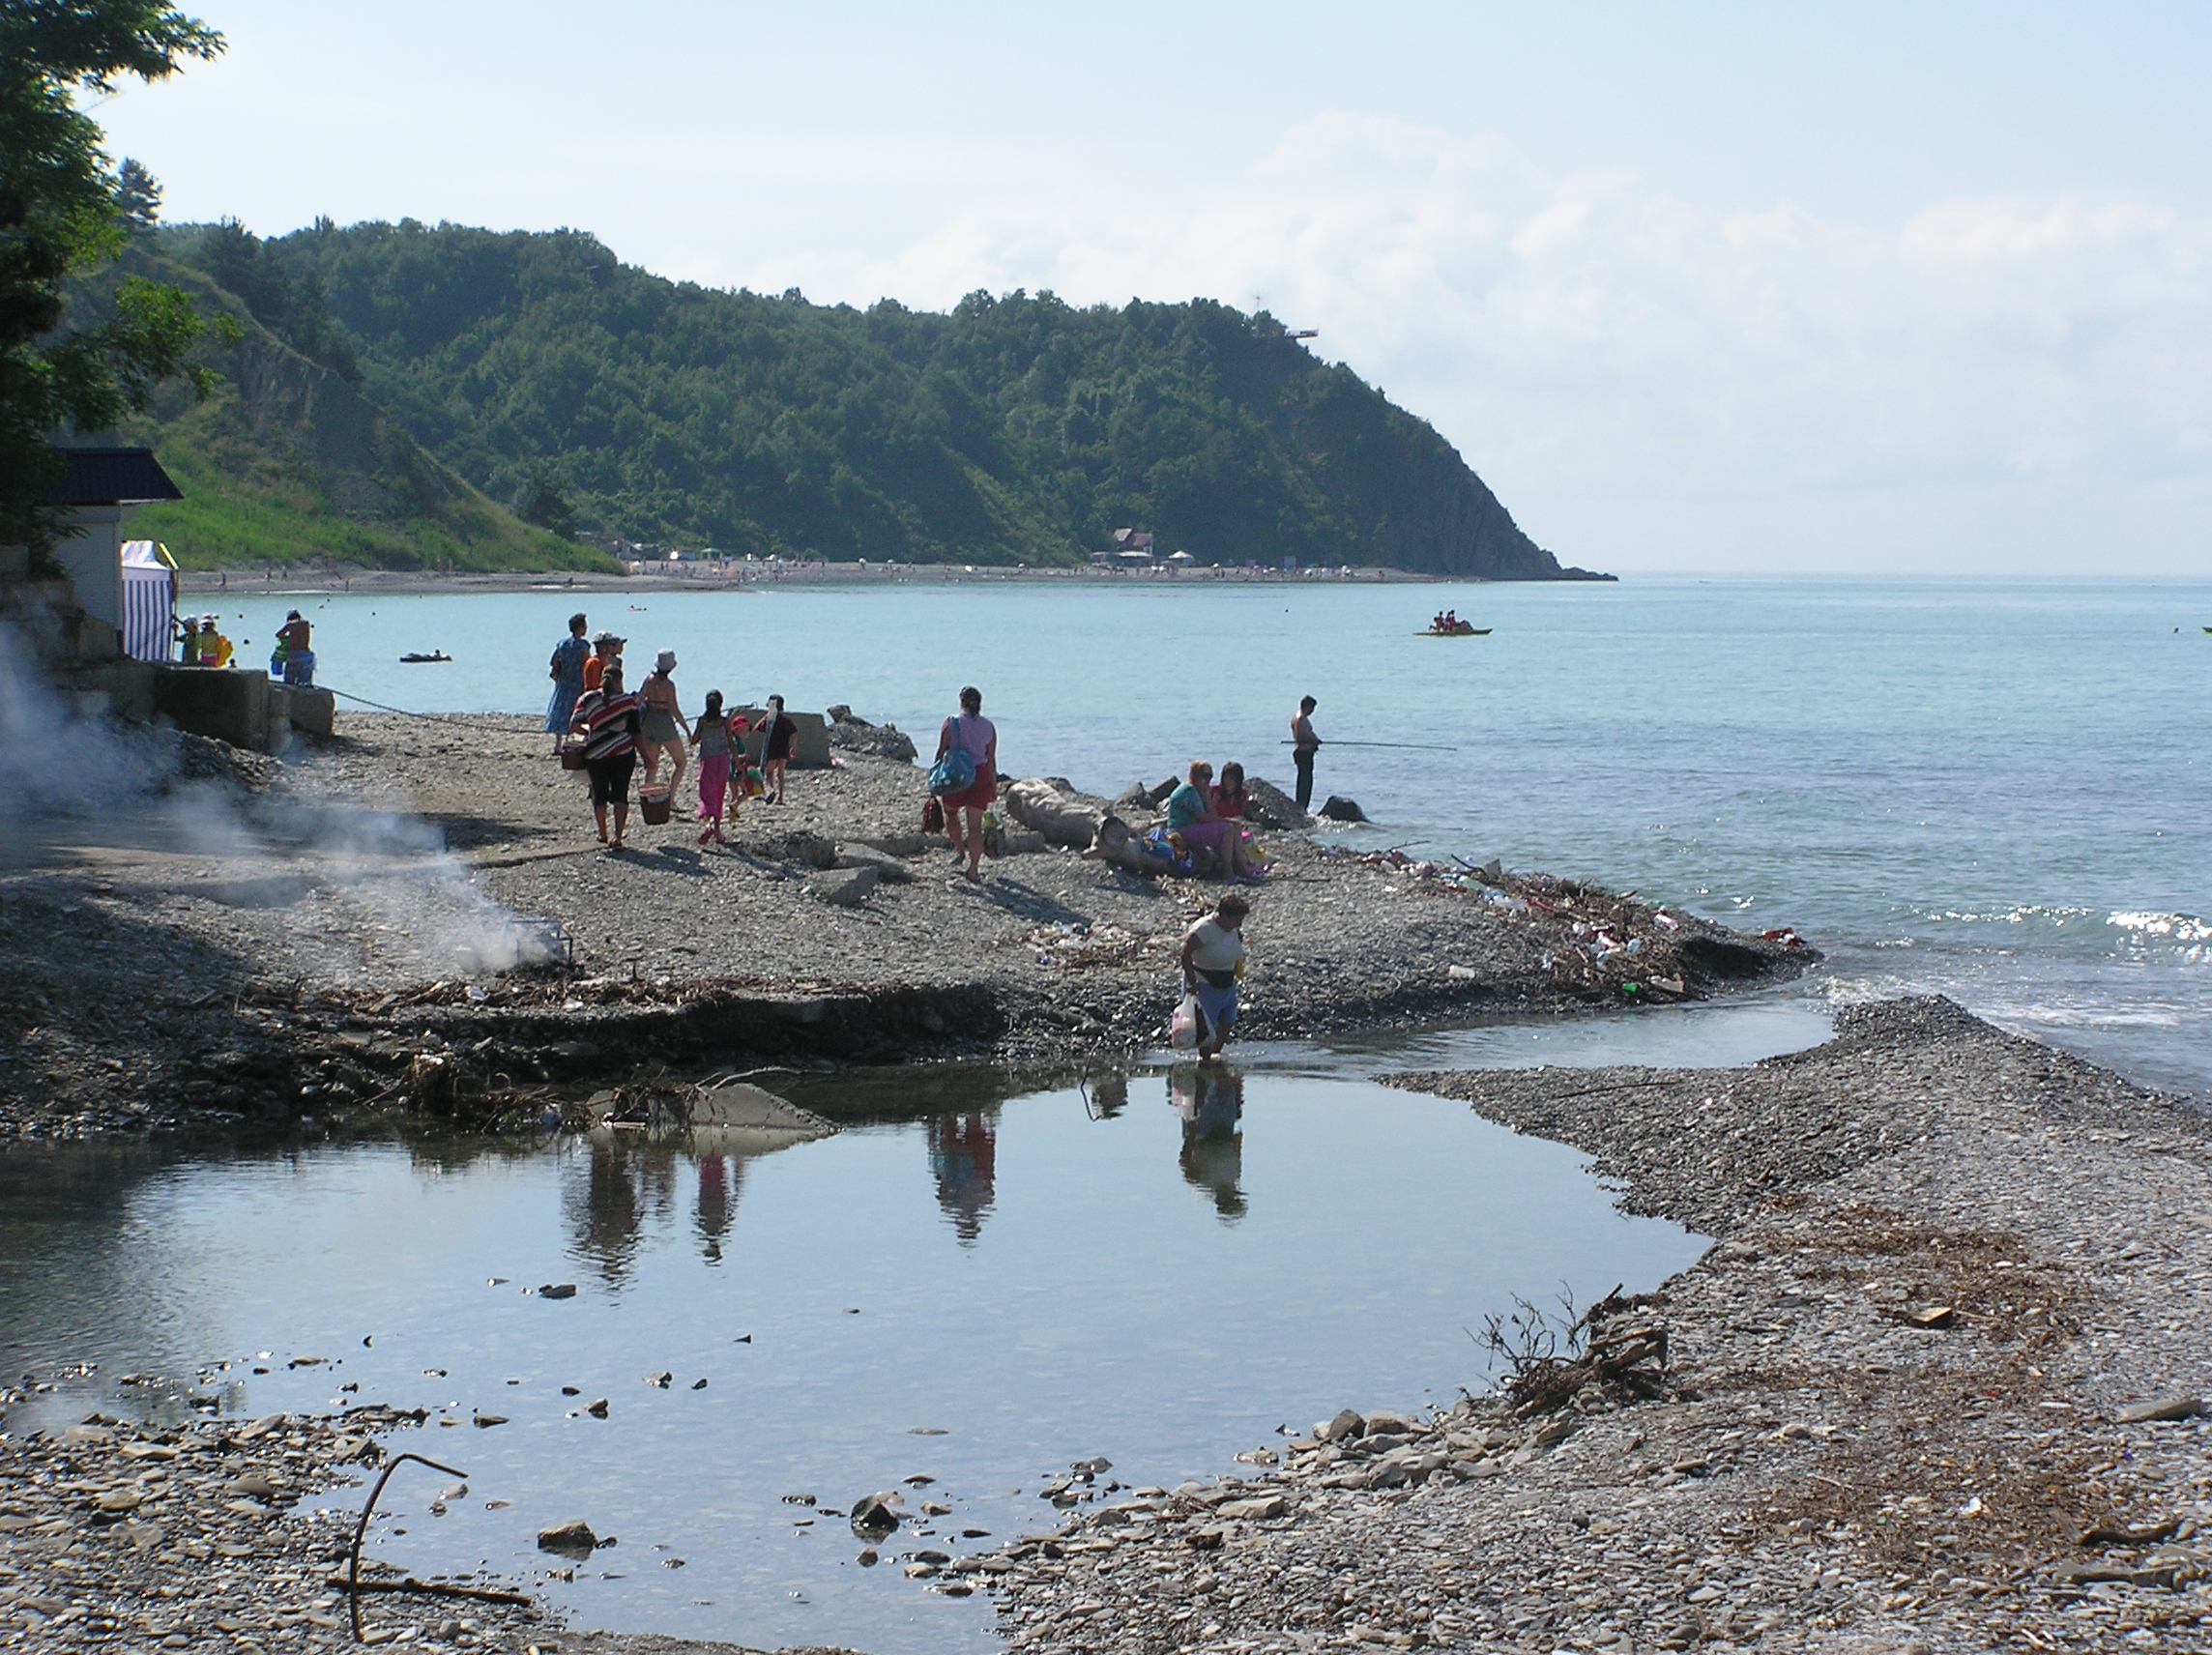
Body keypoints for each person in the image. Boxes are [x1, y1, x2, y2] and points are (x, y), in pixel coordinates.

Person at [571, 663, 642, 852]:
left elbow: (574, 724)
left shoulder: (587, 699)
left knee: (599, 793)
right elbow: (635, 732)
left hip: (595, 753)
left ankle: (602, 833)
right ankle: (617, 835)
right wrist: (647, 757)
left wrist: (593, 732)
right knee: (621, 794)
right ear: (619, 680)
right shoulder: (627, 702)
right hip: (623, 752)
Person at [1179, 892, 1250, 1061]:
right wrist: (1192, 982)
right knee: (1206, 1027)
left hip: (1226, 982)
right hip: (1204, 982)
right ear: (1223, 915)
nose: (1240, 924)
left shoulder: (1232, 929)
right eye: (1237, 919)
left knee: (1227, 1021)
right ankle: (1205, 1060)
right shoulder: (1204, 928)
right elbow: (1185, 953)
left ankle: (1214, 1056)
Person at [935, 685, 997, 880]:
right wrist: (993, 786)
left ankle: (959, 849)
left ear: (961, 701)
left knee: (951, 812)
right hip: (980, 774)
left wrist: (934, 777)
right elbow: (991, 759)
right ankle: (974, 869)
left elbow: (941, 751)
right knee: (975, 826)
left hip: (956, 773)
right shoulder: (989, 727)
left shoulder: (951, 723)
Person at [1165, 761, 1248, 881]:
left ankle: (1240, 866)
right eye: (1206, 776)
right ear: (1196, 775)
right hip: (1181, 830)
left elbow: (1210, 815)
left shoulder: (1198, 791)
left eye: (1210, 777)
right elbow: (1203, 817)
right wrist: (1225, 820)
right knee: (1227, 829)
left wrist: (1207, 800)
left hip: (1189, 827)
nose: (1208, 780)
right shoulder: (1189, 791)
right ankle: (1228, 872)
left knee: (1231, 827)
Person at [638, 650, 690, 797]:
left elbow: (640, 699)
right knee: (681, 762)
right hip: (664, 722)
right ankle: (671, 797)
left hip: (648, 720)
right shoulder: (669, 685)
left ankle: (648, 798)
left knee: (652, 765)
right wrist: (686, 728)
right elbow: (674, 709)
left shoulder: (649, 679)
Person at [692, 690, 742, 845]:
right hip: (723, 760)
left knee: (706, 795)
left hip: (708, 761)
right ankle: (718, 832)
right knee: (719, 794)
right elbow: (731, 743)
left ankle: (707, 825)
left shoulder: (702, 720)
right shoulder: (725, 721)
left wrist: (690, 734)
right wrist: (737, 763)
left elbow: (694, 740)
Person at [545, 613, 591, 753]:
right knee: (579, 711)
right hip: (577, 681)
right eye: (585, 626)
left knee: (560, 710)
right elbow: (586, 664)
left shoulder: (562, 644)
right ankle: (581, 740)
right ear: (580, 627)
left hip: (564, 681)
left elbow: (553, 662)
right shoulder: (583, 645)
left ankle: (558, 744)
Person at [758, 694, 797, 805]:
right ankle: (781, 797)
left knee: (769, 773)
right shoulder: (786, 720)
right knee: (781, 774)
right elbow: (793, 734)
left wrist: (765, 717)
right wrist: (793, 748)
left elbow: (755, 729)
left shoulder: (769, 722)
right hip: (784, 750)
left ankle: (771, 791)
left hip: (772, 750)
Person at [1290, 695, 1321, 812]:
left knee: (1303, 780)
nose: (1312, 711)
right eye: (1312, 708)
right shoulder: (1301, 719)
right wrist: (1314, 741)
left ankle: (1302, 806)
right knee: (1305, 783)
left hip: (1304, 752)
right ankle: (1302, 806)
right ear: (1307, 706)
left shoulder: (1297, 717)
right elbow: (1300, 736)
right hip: (1304, 753)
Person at [277, 610, 314, 685]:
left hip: (293, 655)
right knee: (305, 682)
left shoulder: (290, 625)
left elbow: (278, 635)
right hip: (306, 654)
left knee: (289, 682)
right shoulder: (306, 623)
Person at [582, 630, 623, 694]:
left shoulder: (605, 662)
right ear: (597, 646)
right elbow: (593, 686)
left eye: (610, 644)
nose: (608, 647)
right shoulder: (594, 662)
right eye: (605, 644)